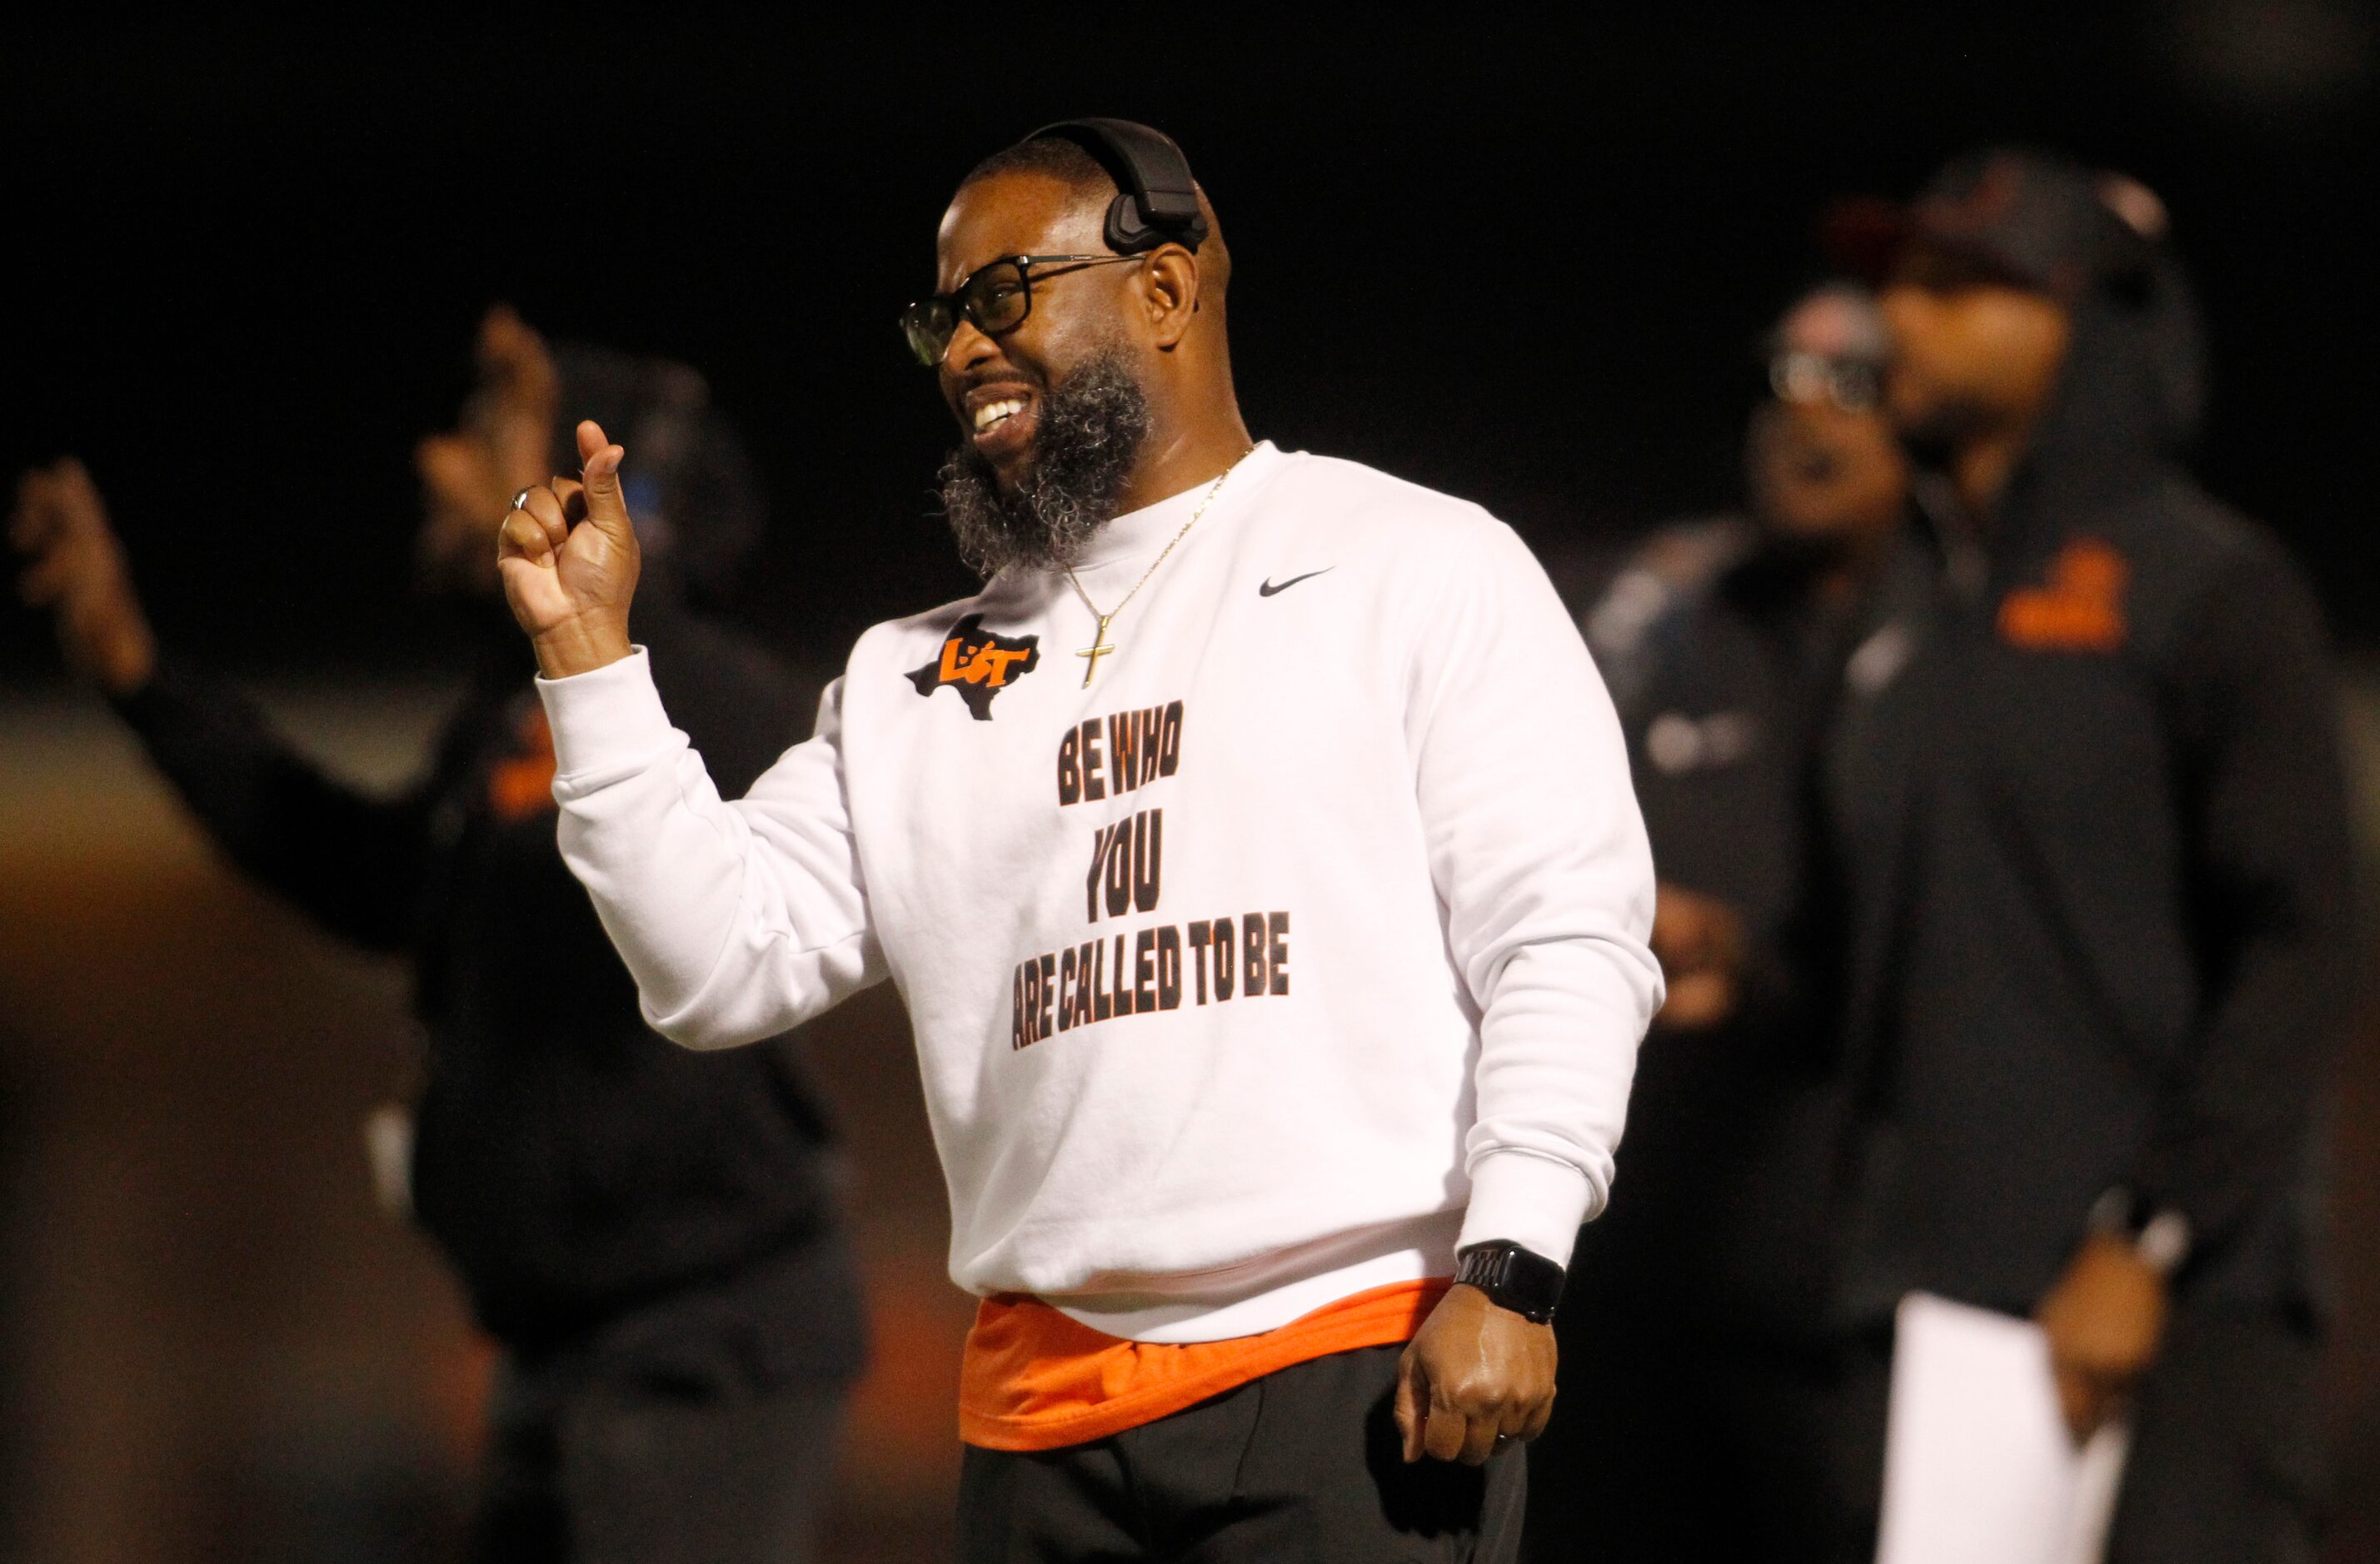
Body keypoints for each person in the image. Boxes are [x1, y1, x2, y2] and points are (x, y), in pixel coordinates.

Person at [494, 120, 1662, 1562]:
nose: (962, 350)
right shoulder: (913, 673)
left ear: (1164, 294)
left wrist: (1517, 1264)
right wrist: (594, 666)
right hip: (1039, 1419)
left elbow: (1565, 933)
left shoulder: (1413, 562)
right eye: (941, 316)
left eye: (1004, 296)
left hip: (1358, 1365)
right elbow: (713, 968)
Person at [9, 308, 867, 1564]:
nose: (438, 461)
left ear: (610, 489)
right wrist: (142, 679)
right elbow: (371, 875)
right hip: (558, 1346)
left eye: (487, 426)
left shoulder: (713, 701)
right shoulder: (508, 720)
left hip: (701, 1343)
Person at [1821, 149, 2353, 1562]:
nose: (1899, 319)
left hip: (2166, 1311)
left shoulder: (2211, 588)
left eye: (1954, 285)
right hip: (1933, 1307)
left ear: (2086, 312)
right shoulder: (1904, 608)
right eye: (1897, 282)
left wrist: (2155, 1235)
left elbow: (2301, 942)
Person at [1529, 283, 1910, 1564]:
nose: (1801, 424)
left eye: (1849, 392)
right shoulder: (1651, 608)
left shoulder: (1981, 633)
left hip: (1871, 1276)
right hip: (1629, 1260)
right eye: (1777, 387)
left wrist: (1759, 966)